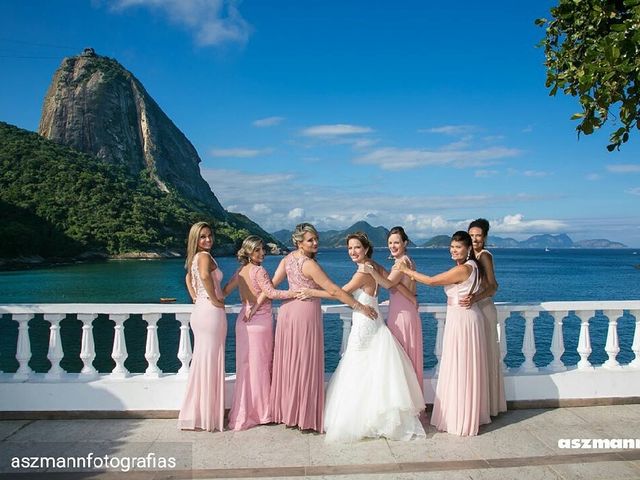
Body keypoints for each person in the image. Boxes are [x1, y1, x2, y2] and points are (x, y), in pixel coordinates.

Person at [302, 232, 425, 443]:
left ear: (366, 249)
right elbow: (389, 283)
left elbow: (339, 293)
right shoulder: (375, 266)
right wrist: (412, 295)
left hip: (364, 325)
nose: (352, 252)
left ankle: (360, 421)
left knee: (357, 368)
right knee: (374, 371)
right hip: (375, 324)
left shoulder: (362, 272)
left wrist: (312, 292)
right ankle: (376, 419)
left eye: (357, 247)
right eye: (349, 248)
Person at [269, 222, 378, 432]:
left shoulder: (287, 259)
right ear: (299, 243)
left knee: (289, 362)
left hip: (287, 313)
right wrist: (358, 306)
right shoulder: (309, 264)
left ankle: (288, 412)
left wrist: (258, 298)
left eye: (316, 238)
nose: (316, 242)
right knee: (305, 363)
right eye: (311, 240)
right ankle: (305, 416)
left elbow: (271, 287)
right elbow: (335, 290)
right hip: (304, 313)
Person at [396, 231, 490, 436]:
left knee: (461, 366)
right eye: (452, 247)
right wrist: (474, 297)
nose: (453, 250)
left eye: (458, 247)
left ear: (467, 250)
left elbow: (431, 281)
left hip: (462, 320)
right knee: (463, 367)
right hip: (466, 316)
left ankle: (460, 418)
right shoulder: (473, 267)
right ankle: (464, 413)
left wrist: (406, 270)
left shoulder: (465, 268)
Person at [222, 236, 298, 431]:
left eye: (262, 249)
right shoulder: (259, 270)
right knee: (261, 368)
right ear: (248, 252)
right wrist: (295, 292)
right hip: (260, 323)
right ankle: (263, 413)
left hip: (242, 321)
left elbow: (223, 292)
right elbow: (271, 293)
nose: (262, 253)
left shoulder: (240, 271)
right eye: (257, 250)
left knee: (246, 368)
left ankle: (245, 412)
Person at [178, 221, 227, 432]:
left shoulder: (194, 258)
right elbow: (206, 276)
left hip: (200, 310)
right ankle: (208, 417)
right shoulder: (204, 257)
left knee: (202, 362)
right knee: (210, 362)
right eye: (203, 237)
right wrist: (215, 299)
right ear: (195, 240)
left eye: (209, 235)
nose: (208, 240)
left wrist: (197, 297)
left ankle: (198, 414)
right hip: (210, 313)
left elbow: (189, 279)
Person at [463, 219, 507, 417]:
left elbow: (493, 286)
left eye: (478, 235)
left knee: (487, 356)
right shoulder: (469, 257)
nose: (474, 239)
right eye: (471, 235)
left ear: (485, 237)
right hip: (473, 310)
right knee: (476, 358)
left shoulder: (484, 256)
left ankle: (489, 406)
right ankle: (478, 405)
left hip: (485, 309)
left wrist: (475, 298)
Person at [382, 226, 424, 395]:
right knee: (407, 359)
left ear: (405, 243)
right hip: (404, 309)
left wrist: (370, 269)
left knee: (401, 359)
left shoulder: (401, 262)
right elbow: (402, 286)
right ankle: (411, 401)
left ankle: (406, 401)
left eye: (396, 242)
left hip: (402, 315)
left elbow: (388, 283)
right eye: (390, 243)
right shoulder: (407, 260)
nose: (393, 246)